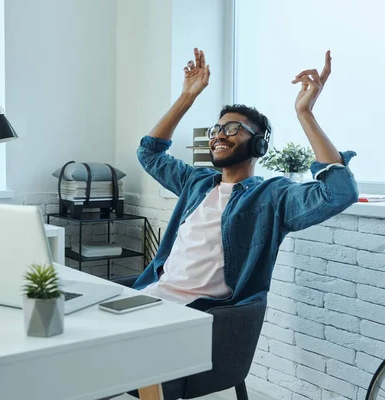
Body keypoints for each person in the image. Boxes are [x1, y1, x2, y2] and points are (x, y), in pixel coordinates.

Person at [133, 48, 358, 310]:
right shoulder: (196, 183)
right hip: (152, 294)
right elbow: (149, 153)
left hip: (196, 313)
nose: (218, 135)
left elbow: (339, 192)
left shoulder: (271, 196)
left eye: (231, 129)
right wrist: (186, 97)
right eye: (215, 130)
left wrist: (304, 113)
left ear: (258, 145)